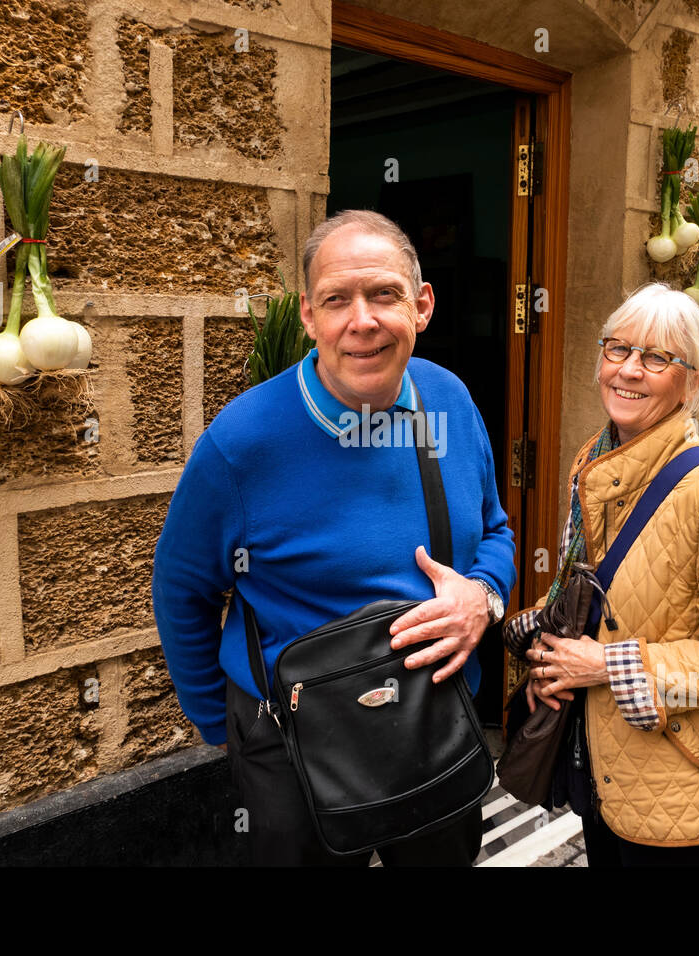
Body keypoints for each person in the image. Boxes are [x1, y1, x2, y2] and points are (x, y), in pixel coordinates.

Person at [152, 209, 516, 866]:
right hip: (291, 741)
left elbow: (495, 530)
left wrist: (482, 599)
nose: (363, 320)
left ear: (422, 304)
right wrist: (228, 727)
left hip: (433, 723)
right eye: (337, 300)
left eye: (384, 294)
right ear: (309, 317)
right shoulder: (243, 444)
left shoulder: (451, 402)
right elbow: (181, 592)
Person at [507, 281, 699, 866]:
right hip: (603, 767)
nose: (629, 370)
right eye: (618, 349)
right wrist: (544, 644)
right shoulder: (595, 465)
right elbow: (588, 591)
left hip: (673, 794)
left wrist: (607, 664)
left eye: (657, 357)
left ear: (690, 383)